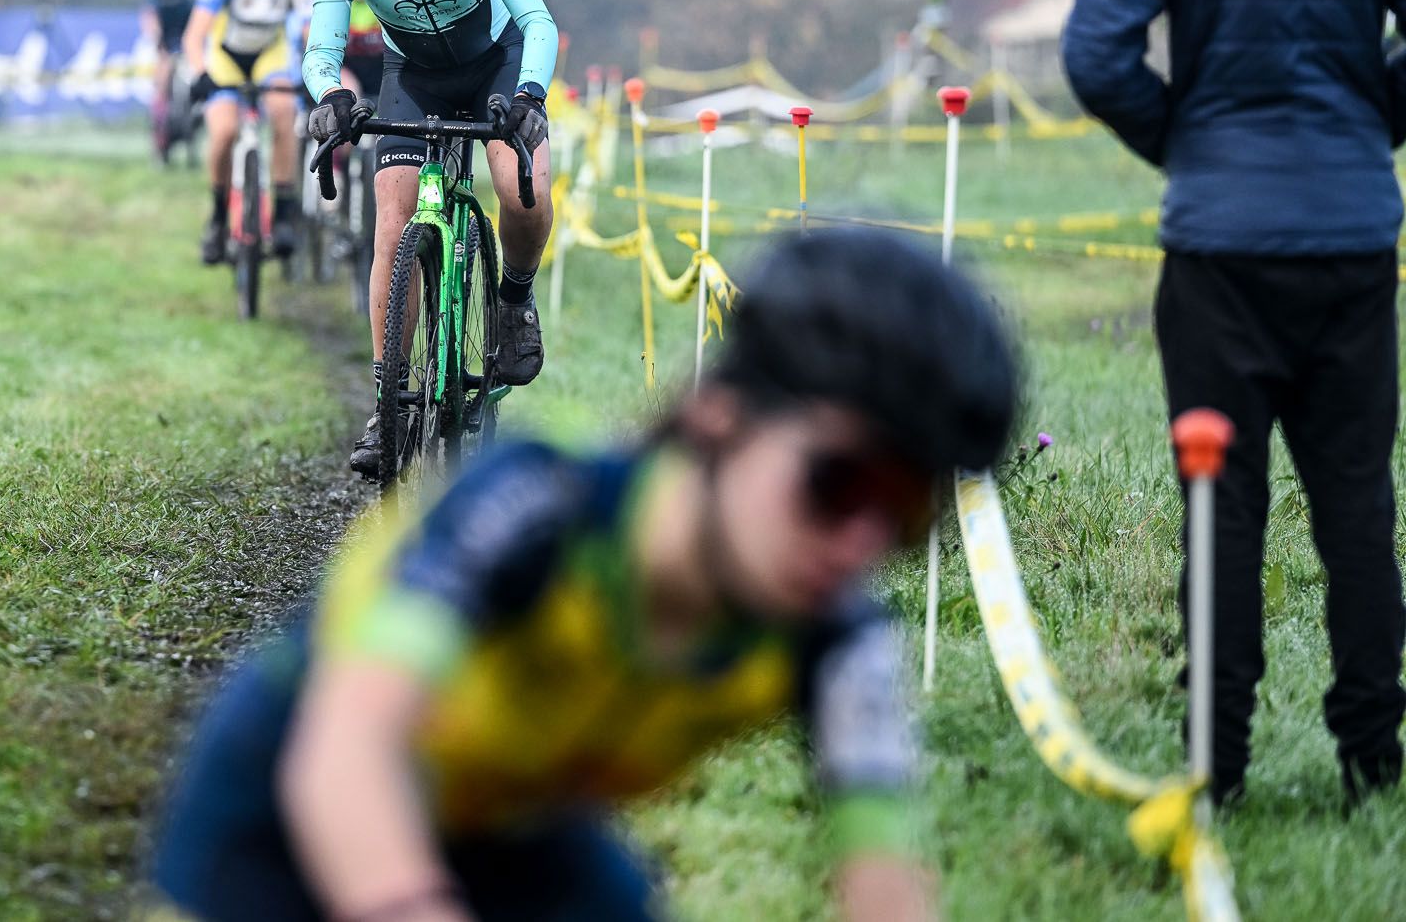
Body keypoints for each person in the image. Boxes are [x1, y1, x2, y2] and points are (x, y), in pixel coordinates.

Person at [150, 229, 1020, 922]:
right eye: (837, 484)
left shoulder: (837, 638)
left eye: (908, 517)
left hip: (511, 827)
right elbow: (346, 754)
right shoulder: (535, 508)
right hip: (301, 785)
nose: (859, 546)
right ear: (720, 418)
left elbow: (888, 884)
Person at [1063, 0, 1406, 807]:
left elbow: (1095, 54)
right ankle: (1375, 763)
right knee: (1355, 505)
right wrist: (1371, 125)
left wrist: (1187, 145)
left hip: (1214, 252)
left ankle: (1214, 767)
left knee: (1221, 509)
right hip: (1350, 242)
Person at [302, 0, 558, 478]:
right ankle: (386, 399)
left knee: (522, 190)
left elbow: (537, 22)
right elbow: (322, 50)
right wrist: (328, 95)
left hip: (495, 69)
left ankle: (514, 300)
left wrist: (529, 95)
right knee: (393, 225)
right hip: (411, 79)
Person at [185, 0, 316, 263]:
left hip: (268, 54)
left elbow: (308, 32)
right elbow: (195, 36)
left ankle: (284, 209)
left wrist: (312, 72)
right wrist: (200, 75)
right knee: (224, 131)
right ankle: (217, 217)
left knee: (283, 111)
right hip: (226, 55)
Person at [142, 0, 198, 160]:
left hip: (189, 37)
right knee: (163, 76)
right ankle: (159, 129)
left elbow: (201, 10)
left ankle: (196, 120)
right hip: (166, 40)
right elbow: (150, 15)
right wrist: (155, 36)